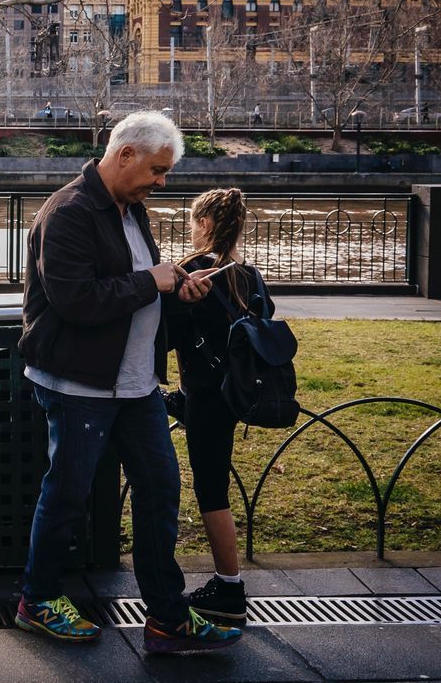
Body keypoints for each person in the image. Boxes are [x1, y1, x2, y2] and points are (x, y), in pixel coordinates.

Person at [16, 112, 242, 654]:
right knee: (67, 496)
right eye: (157, 170)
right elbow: (76, 301)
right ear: (125, 155)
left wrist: (175, 287)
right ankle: (38, 599)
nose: (161, 182)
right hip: (79, 386)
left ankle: (167, 616)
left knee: (161, 489)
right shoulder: (68, 213)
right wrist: (150, 282)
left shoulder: (130, 209)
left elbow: (139, 280)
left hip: (134, 386)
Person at [168, 188, 274, 628]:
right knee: (214, 485)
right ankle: (227, 584)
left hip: (206, 397)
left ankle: (229, 587)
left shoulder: (193, 270)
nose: (192, 230)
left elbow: (169, 333)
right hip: (234, 394)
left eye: (194, 222)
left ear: (206, 225)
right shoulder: (248, 274)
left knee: (212, 493)